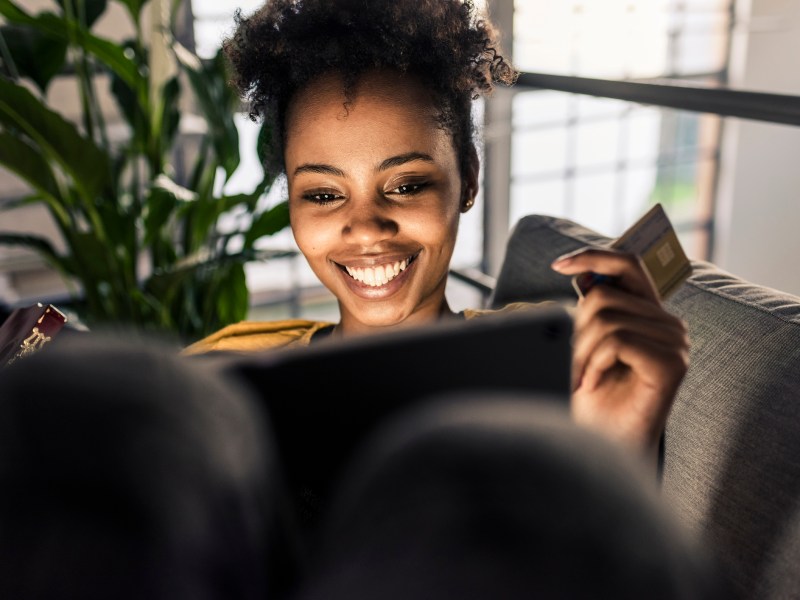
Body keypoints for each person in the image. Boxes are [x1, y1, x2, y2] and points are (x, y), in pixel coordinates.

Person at [183, 0, 689, 473]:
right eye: (322, 194)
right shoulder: (225, 370)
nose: (365, 227)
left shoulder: (558, 373)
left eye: (406, 185)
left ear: (467, 179)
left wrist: (623, 450)